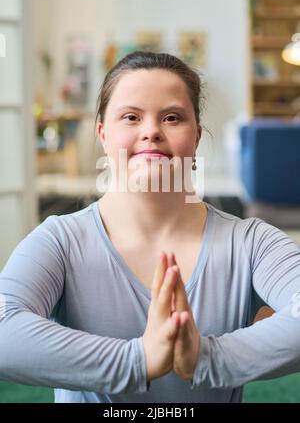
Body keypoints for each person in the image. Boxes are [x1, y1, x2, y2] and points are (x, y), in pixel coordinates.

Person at [1, 51, 300, 404]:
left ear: (197, 137)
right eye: (131, 117)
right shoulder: (60, 240)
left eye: (172, 117)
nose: (151, 132)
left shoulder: (251, 242)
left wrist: (208, 358)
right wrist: (137, 360)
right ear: (103, 134)